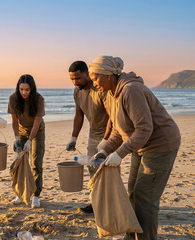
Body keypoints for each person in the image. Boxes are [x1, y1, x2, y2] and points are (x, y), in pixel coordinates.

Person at [89, 56, 181, 240]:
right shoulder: (111, 94)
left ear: (108, 75)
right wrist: (105, 150)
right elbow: (118, 129)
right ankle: (132, 237)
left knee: (145, 198)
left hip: (160, 144)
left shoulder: (131, 90)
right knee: (132, 191)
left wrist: (120, 153)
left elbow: (145, 128)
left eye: (95, 78)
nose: (94, 83)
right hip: (141, 145)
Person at [66, 61, 112, 213]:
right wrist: (73, 138)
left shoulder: (100, 89)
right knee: (93, 169)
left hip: (109, 135)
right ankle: (96, 203)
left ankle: (109, 205)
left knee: (107, 171)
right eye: (72, 79)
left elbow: (112, 117)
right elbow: (79, 116)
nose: (75, 82)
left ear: (87, 74)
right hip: (93, 134)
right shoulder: (77, 91)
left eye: (78, 78)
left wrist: (105, 140)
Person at [8, 74, 45, 208]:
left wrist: (30, 140)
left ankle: (35, 195)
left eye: (27, 90)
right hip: (21, 132)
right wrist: (17, 139)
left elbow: (36, 123)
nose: (24, 92)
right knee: (20, 162)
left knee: (36, 163)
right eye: (21, 89)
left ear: (32, 89)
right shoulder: (13, 98)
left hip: (37, 133)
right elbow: (14, 121)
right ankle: (20, 193)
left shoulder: (39, 99)